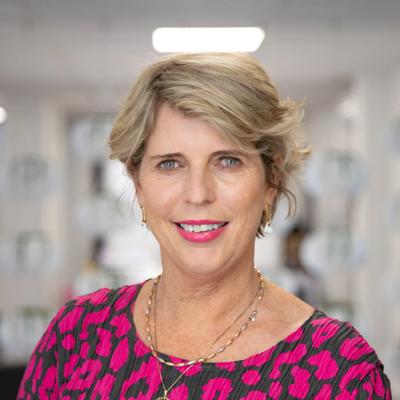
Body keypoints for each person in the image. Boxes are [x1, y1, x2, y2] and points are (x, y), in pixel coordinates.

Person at [17, 53, 391, 399]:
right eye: (170, 164)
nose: (198, 194)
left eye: (227, 161)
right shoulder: (77, 336)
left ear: (270, 181)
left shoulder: (340, 371)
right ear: (138, 184)